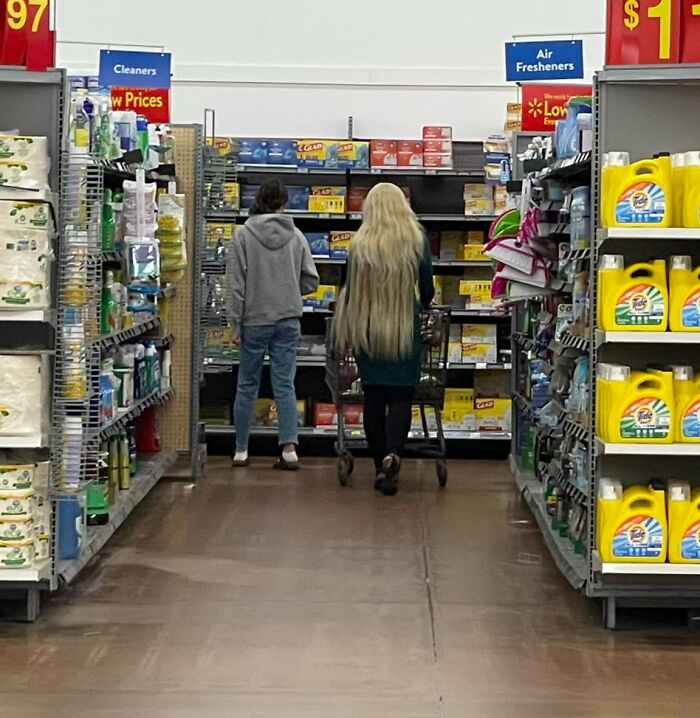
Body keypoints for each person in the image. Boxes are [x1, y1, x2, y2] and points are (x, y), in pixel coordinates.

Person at [334, 183, 434, 496]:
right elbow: (427, 290)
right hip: (404, 328)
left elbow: (347, 288)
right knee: (402, 397)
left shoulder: (359, 243)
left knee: (374, 400)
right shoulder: (416, 240)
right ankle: (394, 453)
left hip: (369, 328)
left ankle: (380, 465)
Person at [226, 179, 320, 470]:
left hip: (254, 320)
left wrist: (233, 323)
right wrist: (290, 288)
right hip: (288, 319)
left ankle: (241, 449)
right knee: (284, 384)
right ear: (283, 203)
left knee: (247, 385)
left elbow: (235, 285)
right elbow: (311, 280)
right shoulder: (297, 236)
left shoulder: (242, 235)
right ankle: (289, 449)